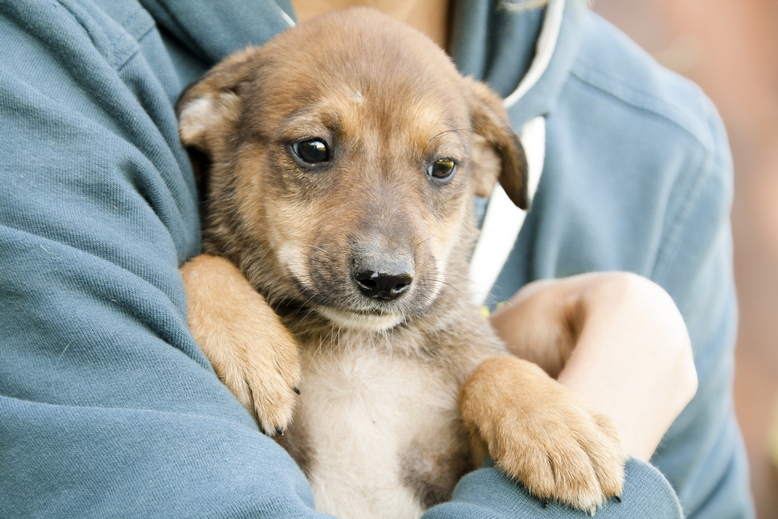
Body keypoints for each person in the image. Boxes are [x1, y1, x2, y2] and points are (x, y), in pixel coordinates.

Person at [0, 0, 753, 517]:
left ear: (488, 164)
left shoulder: (663, 151)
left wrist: (514, 390)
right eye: (315, 152)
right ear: (208, 118)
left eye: (441, 169)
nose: (384, 257)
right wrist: (206, 283)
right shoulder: (54, 65)